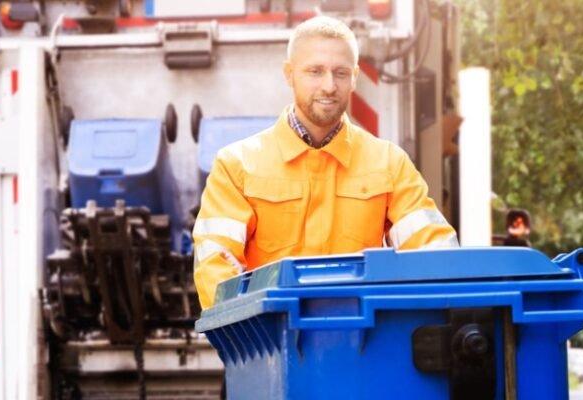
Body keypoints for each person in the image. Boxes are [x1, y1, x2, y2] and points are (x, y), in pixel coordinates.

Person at [193, 16, 458, 309]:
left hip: (364, 341)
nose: (329, 86)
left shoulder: (388, 163)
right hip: (271, 344)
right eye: (315, 72)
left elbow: (433, 253)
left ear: (355, 77)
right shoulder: (237, 167)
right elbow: (215, 265)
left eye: (340, 73)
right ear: (289, 74)